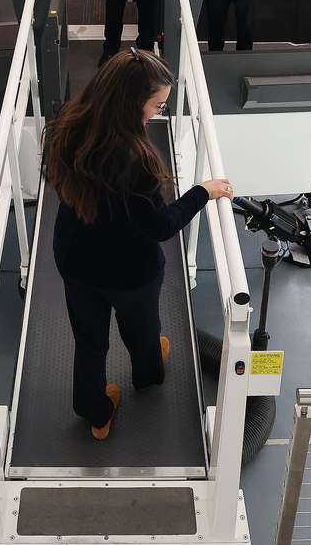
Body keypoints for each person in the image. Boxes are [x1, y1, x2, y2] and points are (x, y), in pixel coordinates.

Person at [45, 48, 234, 440]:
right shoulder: (137, 161)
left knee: (90, 342)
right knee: (143, 330)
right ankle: (147, 376)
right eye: (157, 105)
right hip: (129, 272)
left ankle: (95, 412)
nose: (158, 114)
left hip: (75, 259)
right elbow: (161, 226)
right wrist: (203, 191)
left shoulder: (65, 125)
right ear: (131, 104)